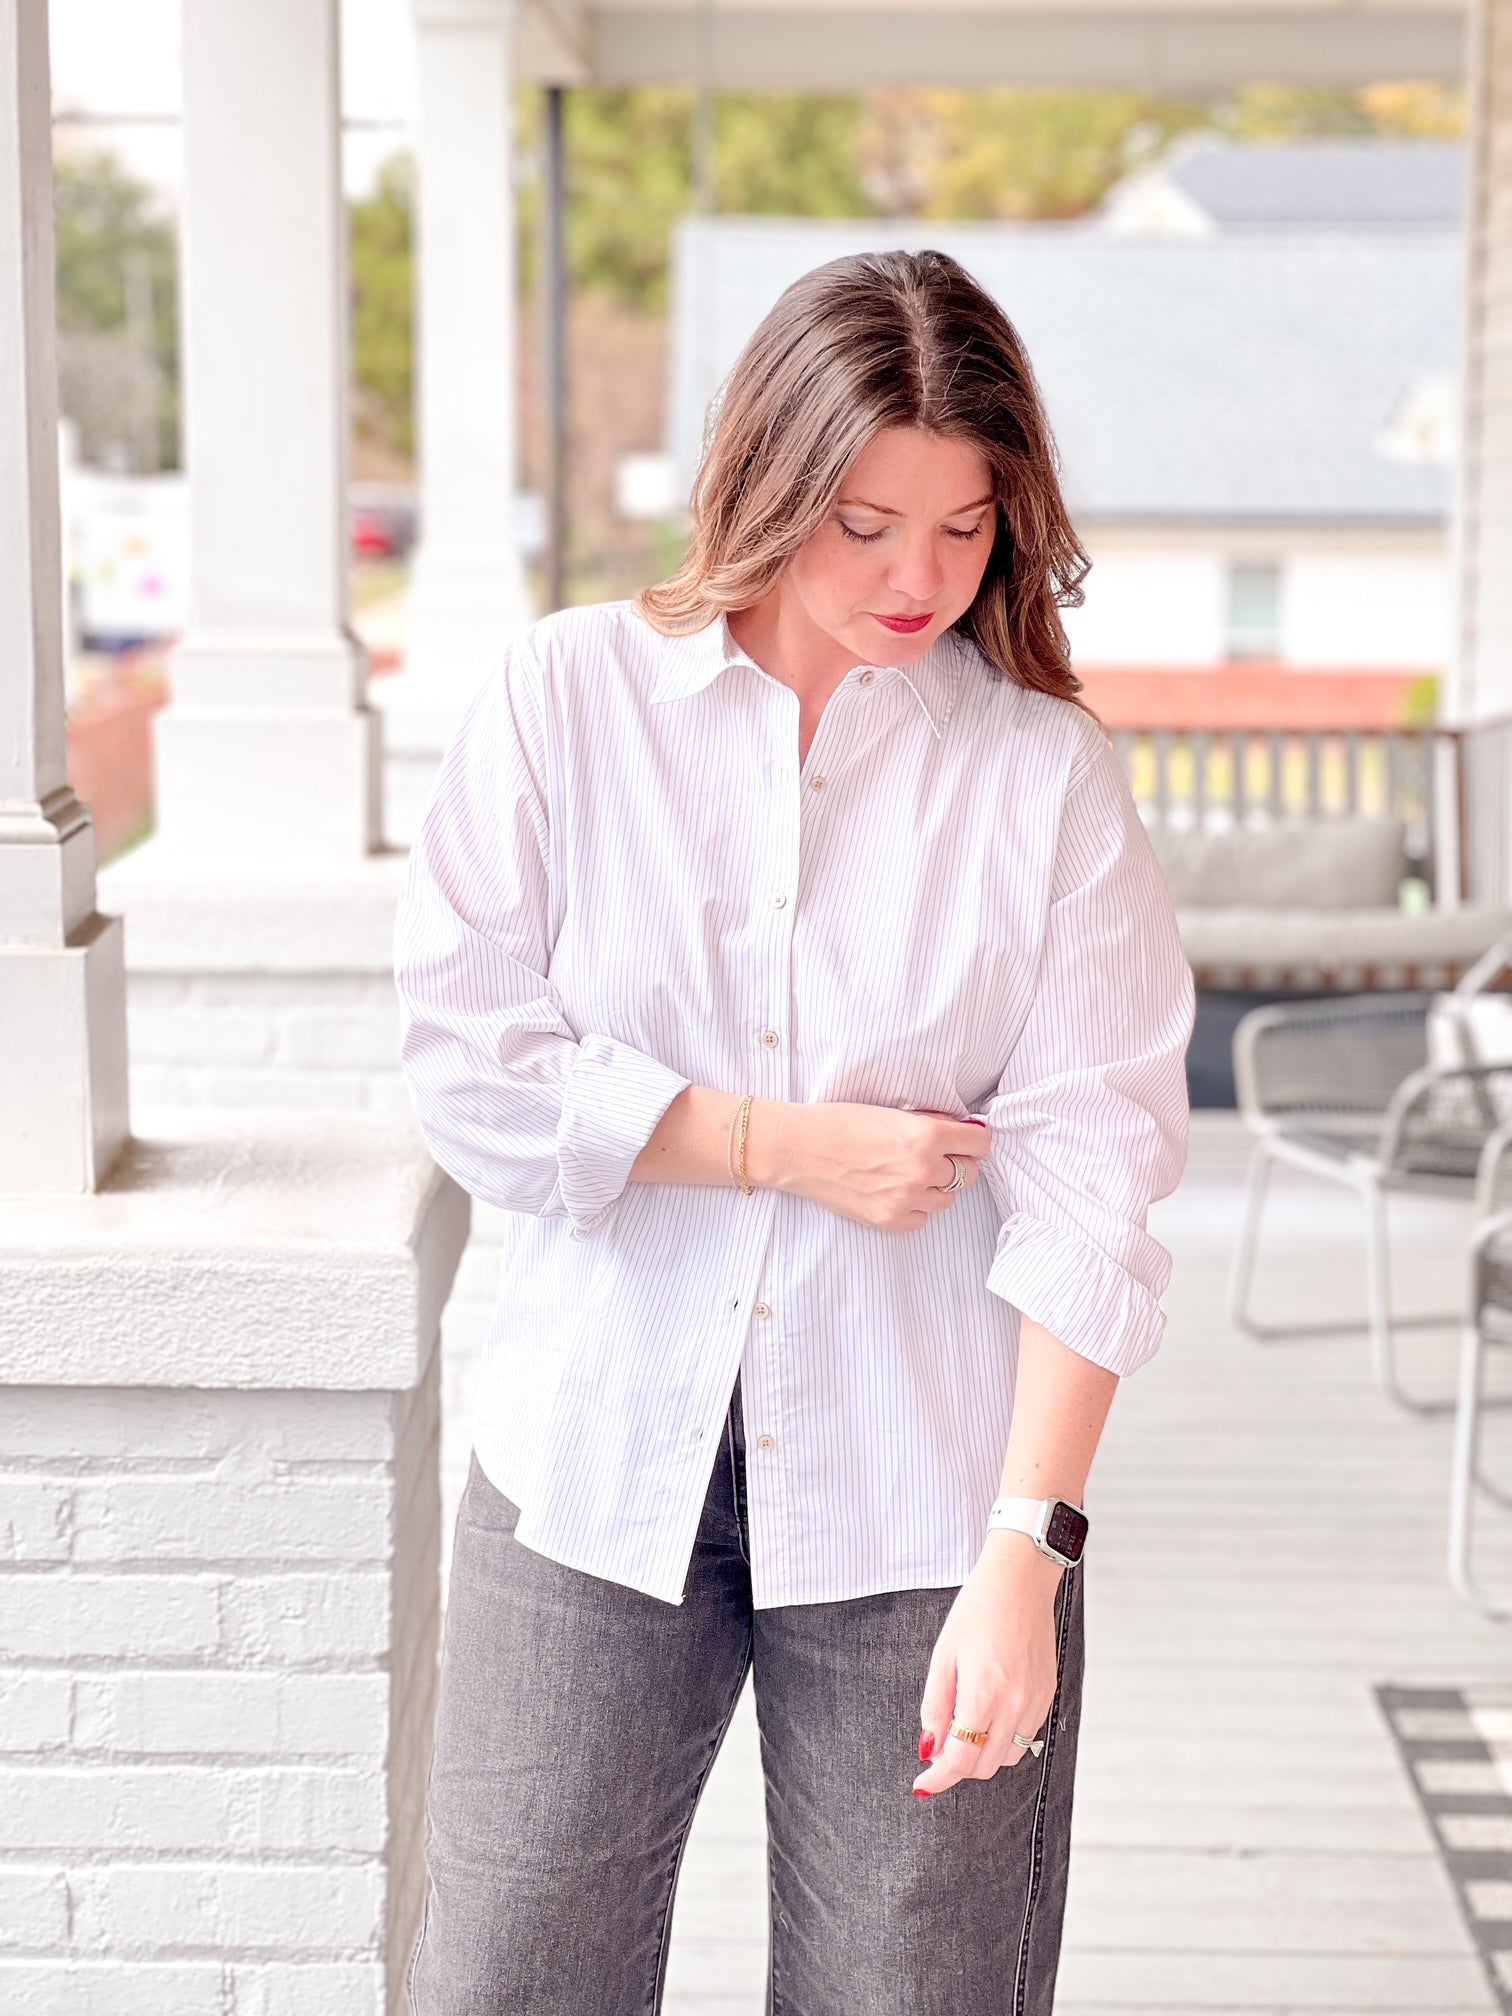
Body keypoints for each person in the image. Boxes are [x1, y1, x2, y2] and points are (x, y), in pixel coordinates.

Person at [394, 246, 1193, 2016]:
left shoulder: (1041, 777)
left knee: (920, 1992)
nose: (920, 578)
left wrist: (1028, 1555)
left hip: (928, 1497)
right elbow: (463, 1062)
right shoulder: (566, 700)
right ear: (762, 483)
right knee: (507, 1979)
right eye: (864, 522)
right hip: (591, 1464)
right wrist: (774, 1143)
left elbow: (1094, 1178)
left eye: (968, 527)